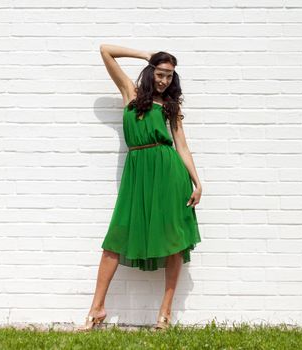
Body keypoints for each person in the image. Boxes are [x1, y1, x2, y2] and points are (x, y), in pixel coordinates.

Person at [77, 44, 202, 332]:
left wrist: (197, 181)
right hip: (138, 172)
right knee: (116, 237)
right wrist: (146, 55)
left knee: (175, 240)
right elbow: (105, 51)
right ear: (151, 72)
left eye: (170, 76)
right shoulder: (130, 94)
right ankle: (97, 308)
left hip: (170, 174)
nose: (164, 80)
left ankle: (165, 314)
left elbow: (182, 145)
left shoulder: (171, 107)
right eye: (160, 73)